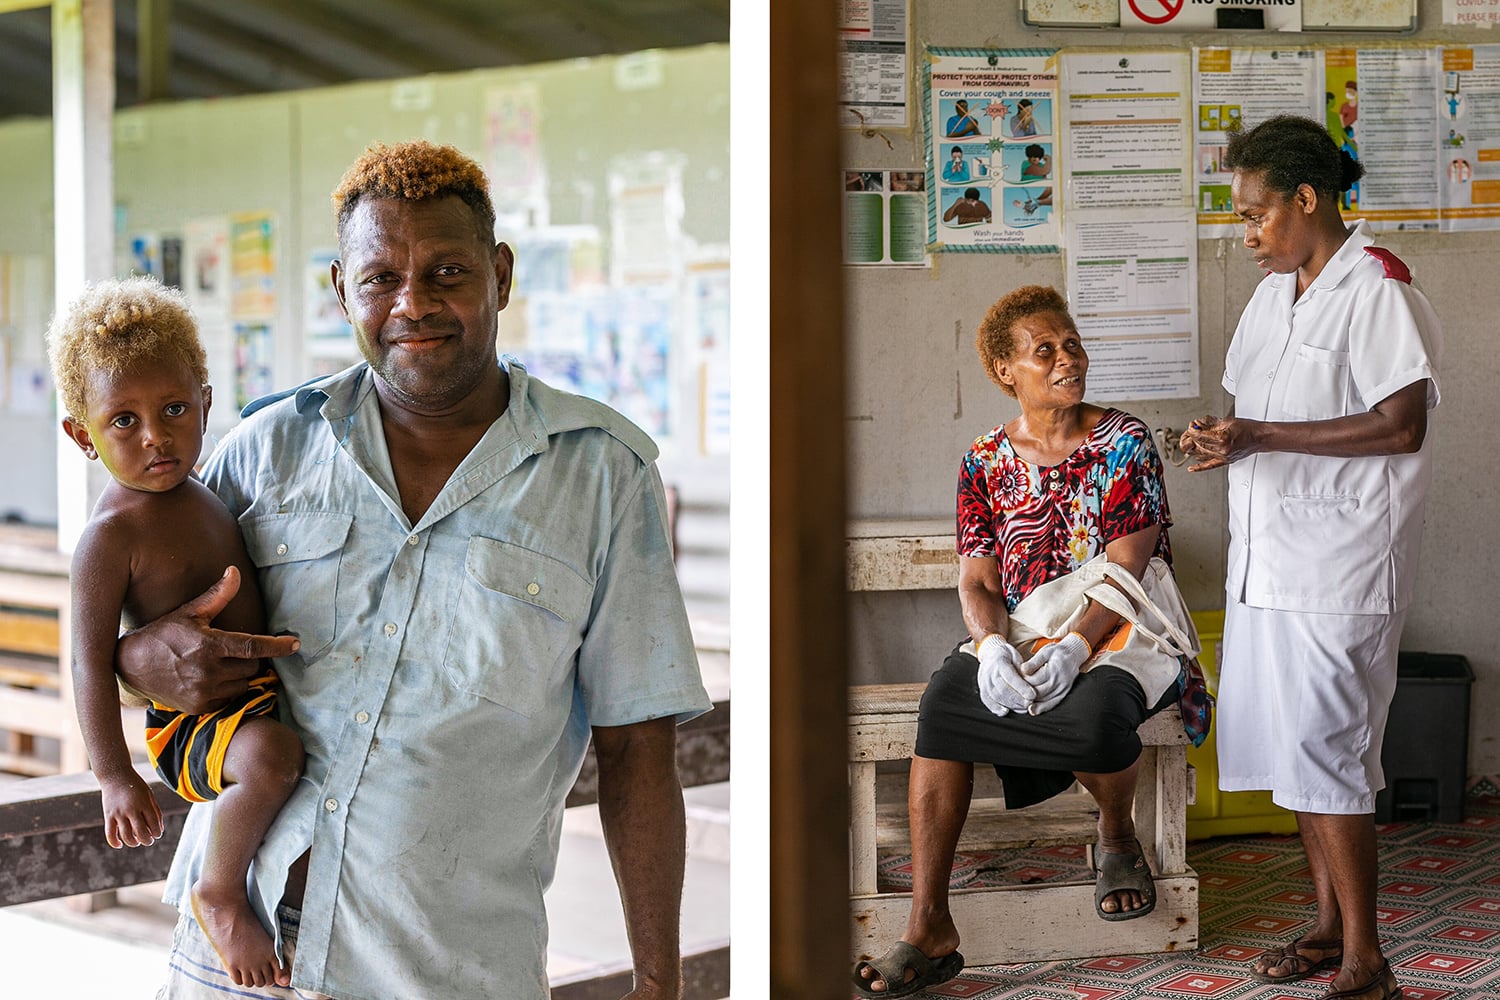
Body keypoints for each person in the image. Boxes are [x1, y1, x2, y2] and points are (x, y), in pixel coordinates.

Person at [113, 140, 712, 999]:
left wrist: (659, 980)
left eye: (446, 272)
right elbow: (143, 639)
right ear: (340, 290)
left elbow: (639, 748)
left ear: (501, 276)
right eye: (379, 278)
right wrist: (136, 663)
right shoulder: (263, 451)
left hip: (448, 969)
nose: (411, 304)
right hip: (232, 955)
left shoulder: (601, 477)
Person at [854, 285, 1186, 997]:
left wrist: (1074, 648)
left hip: (1122, 620)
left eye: (1071, 344)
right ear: (1007, 370)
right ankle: (928, 923)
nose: (1068, 359)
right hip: (1029, 621)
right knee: (945, 705)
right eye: (1046, 351)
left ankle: (1117, 832)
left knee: (1096, 720)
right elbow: (977, 579)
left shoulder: (1123, 440)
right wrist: (994, 644)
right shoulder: (983, 460)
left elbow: (1129, 566)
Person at [1181, 115, 1440, 1000]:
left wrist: (1258, 433)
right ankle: (1329, 928)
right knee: (1296, 750)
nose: (1244, 233)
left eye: (1256, 214)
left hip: (1340, 565)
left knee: (1329, 750)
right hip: (1268, 561)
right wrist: (1219, 436)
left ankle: (1369, 958)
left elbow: (1401, 424)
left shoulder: (1379, 289)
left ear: (1306, 199)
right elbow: (1250, 409)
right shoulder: (1273, 294)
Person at [48, 277, 305, 989]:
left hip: (251, 698)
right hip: (191, 728)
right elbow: (89, 665)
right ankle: (218, 891)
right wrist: (113, 774)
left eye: (173, 408)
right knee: (272, 756)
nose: (156, 435)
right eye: (122, 421)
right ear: (82, 436)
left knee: (280, 745)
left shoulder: (211, 488)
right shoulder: (109, 537)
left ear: (206, 401)